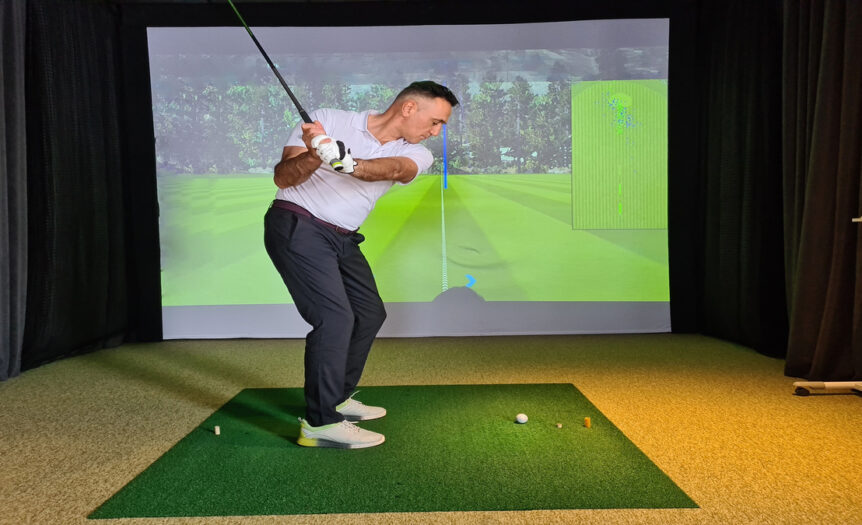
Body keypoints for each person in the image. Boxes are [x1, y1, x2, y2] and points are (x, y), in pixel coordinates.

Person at [264, 81, 459, 449]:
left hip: (342, 236)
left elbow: (392, 168)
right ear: (408, 109)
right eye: (434, 122)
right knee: (334, 318)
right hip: (298, 224)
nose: (435, 132)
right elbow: (282, 177)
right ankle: (320, 422)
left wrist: (347, 161)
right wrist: (315, 152)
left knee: (369, 314)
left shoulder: (418, 154)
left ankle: (337, 395)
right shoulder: (326, 120)